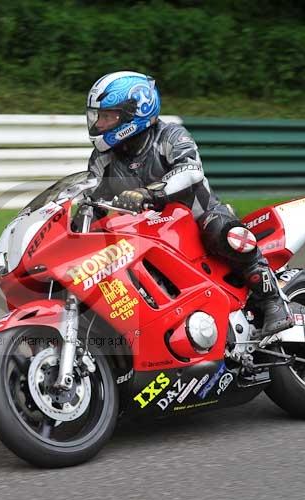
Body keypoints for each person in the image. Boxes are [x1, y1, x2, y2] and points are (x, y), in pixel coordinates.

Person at [85, 71, 293, 337]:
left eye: (107, 116)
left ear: (134, 112)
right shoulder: (101, 159)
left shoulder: (170, 135)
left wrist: (149, 193)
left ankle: (272, 300)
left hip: (195, 219)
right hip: (145, 233)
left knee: (222, 231)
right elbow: (93, 196)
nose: (99, 124)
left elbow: (190, 170)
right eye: (98, 117)